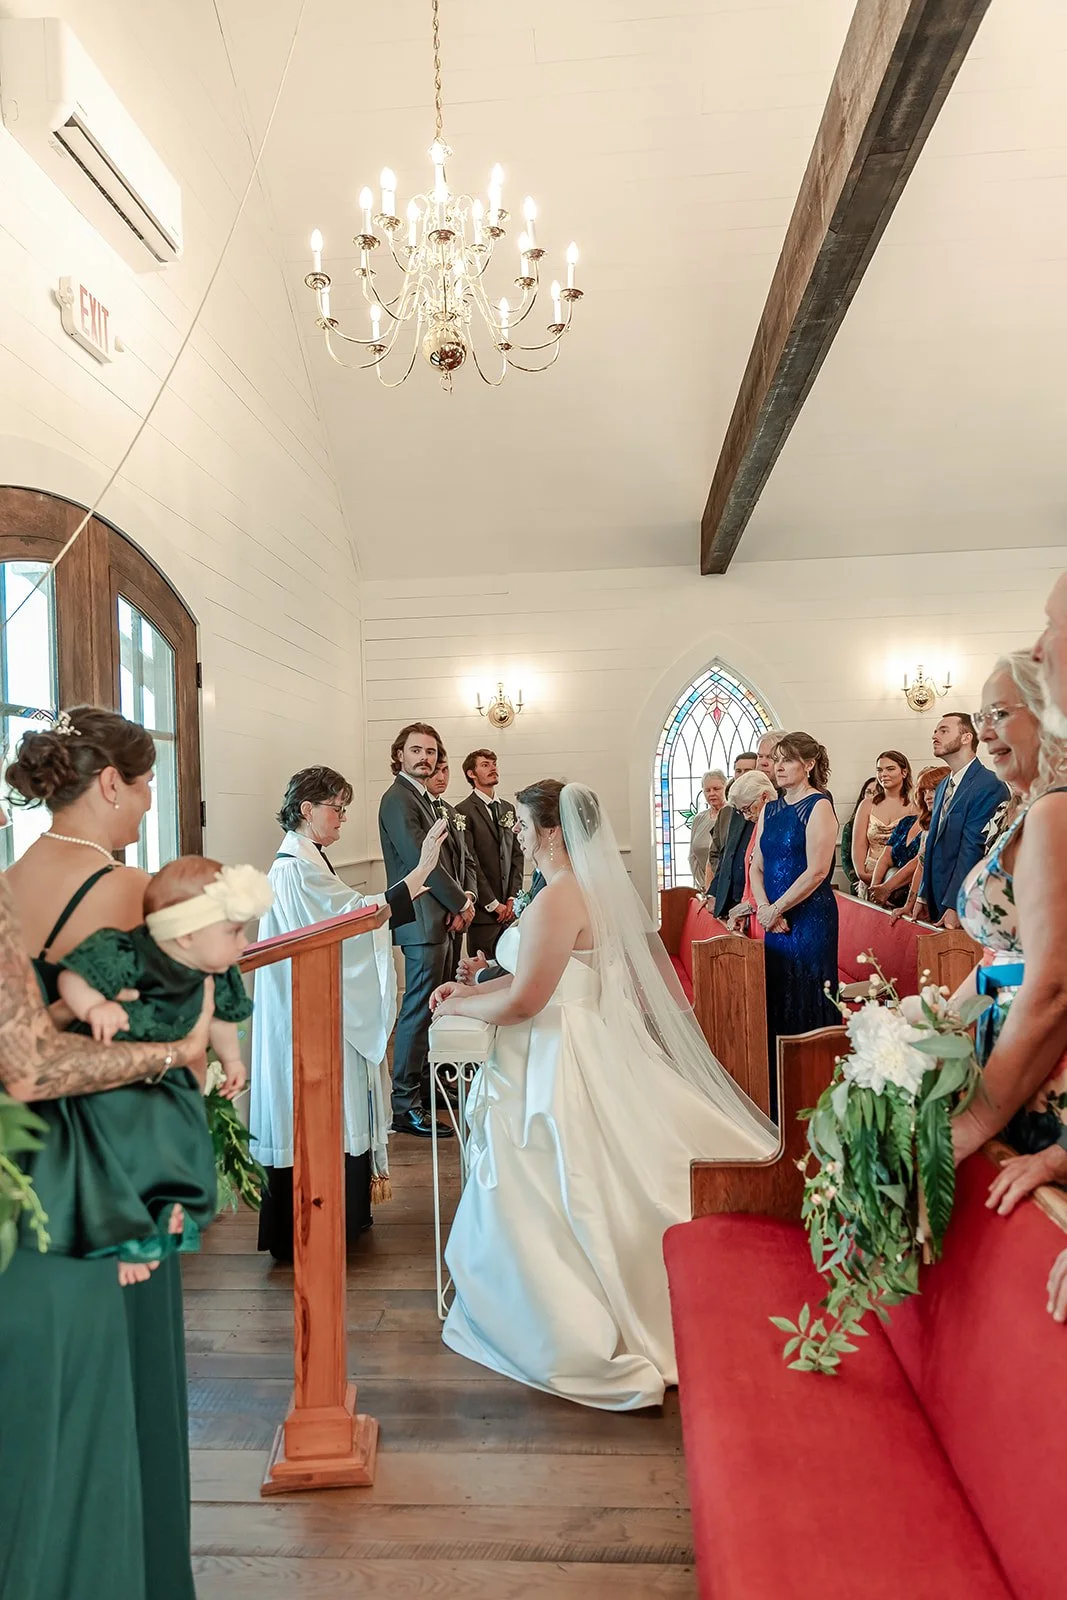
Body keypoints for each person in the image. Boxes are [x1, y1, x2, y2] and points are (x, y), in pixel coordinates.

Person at [428, 780, 776, 1409]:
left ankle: (581, 1310)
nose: (522, 839)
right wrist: (476, 985)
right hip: (564, 1038)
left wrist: (472, 999)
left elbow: (531, 1000)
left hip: (557, 1057)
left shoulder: (561, 896)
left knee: (573, 1182)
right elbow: (537, 976)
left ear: (554, 831)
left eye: (527, 829)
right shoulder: (567, 891)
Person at [2, 707, 218, 1600]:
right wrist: (191, 1049)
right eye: (144, 788)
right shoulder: (132, 893)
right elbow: (201, 994)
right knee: (123, 1383)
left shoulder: (12, 883)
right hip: (116, 1151)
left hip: (27, 1162)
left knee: (46, 1399)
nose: (143, 809)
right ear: (107, 785)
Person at [38, 856, 268, 1285]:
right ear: (185, 935)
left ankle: (172, 1207)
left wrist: (234, 1061)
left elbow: (218, 1016)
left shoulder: (212, 970)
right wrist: (96, 1005)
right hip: (115, 1077)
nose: (242, 943)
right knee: (125, 1147)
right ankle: (128, 1233)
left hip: (171, 1077)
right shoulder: (128, 952)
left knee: (186, 1140)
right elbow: (76, 977)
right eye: (234, 931)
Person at [252, 765, 446, 1255]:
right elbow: (349, 920)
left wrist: (413, 883)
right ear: (306, 810)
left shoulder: (310, 859)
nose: (341, 818)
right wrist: (419, 875)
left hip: (315, 1005)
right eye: (336, 808)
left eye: (343, 807)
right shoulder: (294, 868)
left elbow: (348, 915)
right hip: (307, 1013)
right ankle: (313, 1223)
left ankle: (342, 1213)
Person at [949, 651, 1067, 1197]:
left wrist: (974, 1122)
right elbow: (1006, 956)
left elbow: (1054, 985)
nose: (985, 732)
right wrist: (935, 1028)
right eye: (980, 719)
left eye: (999, 714)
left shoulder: (1055, 812)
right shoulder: (1031, 807)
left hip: (1047, 1070)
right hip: (1009, 1060)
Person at [378, 724, 472, 1137]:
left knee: (434, 1006)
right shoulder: (398, 799)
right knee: (417, 1010)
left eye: (431, 752)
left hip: (440, 917)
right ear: (399, 755)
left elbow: (445, 860)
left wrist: (457, 905)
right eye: (415, 750)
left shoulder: (424, 798)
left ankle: (424, 1087)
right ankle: (404, 1106)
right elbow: (423, 861)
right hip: (418, 919)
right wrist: (463, 903)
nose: (425, 758)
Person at [749, 732, 839, 1113]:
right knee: (777, 995)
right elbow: (757, 865)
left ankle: (819, 1089)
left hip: (810, 920)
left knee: (809, 994)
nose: (778, 766)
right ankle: (779, 1093)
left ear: (809, 764)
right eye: (775, 760)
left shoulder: (818, 806)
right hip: (776, 921)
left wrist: (778, 909)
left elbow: (818, 871)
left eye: (787, 760)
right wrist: (766, 908)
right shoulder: (770, 808)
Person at [915, 713, 1008, 928]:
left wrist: (957, 905)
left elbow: (973, 849)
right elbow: (933, 845)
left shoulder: (989, 784)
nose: (934, 735)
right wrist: (923, 895)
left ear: (966, 737)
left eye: (943, 730)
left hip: (964, 904)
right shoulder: (942, 787)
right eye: (935, 731)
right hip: (938, 898)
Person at [455, 748, 524, 960]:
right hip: (483, 915)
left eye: (494, 763)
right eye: (485, 765)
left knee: (510, 971)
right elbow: (471, 862)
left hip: (511, 913)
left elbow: (516, 856)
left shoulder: (508, 808)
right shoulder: (462, 811)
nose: (493, 768)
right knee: (480, 974)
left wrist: (513, 898)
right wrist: (494, 904)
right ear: (471, 773)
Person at [869, 764, 949, 909]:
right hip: (901, 896)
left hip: (937, 897)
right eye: (923, 791)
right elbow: (918, 863)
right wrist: (877, 887)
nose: (928, 796)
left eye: (933, 789)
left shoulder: (946, 824)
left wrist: (888, 888)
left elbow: (918, 863)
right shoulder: (911, 822)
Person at [428, 754, 478, 979]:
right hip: (439, 914)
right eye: (436, 771)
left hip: (459, 913)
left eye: (445, 770)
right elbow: (431, 866)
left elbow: (467, 860)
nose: (441, 777)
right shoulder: (422, 810)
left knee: (451, 982)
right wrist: (457, 905)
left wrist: (467, 897)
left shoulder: (453, 811)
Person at [714, 770, 777, 931]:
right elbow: (752, 871)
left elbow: (775, 877)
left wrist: (752, 905)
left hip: (772, 914)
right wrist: (744, 908)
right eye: (742, 811)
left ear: (764, 797)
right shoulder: (759, 826)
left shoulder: (779, 825)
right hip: (757, 915)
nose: (746, 817)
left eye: (748, 809)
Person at [850, 751, 916, 898]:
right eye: (879, 770)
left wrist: (892, 882)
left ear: (904, 772)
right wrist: (862, 874)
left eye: (890, 769)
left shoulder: (915, 806)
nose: (883, 774)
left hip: (899, 878)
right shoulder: (867, 805)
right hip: (868, 874)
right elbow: (859, 844)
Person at [688, 770, 728, 891]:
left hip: (726, 886)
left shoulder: (733, 814)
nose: (712, 793)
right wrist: (704, 885)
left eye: (716, 789)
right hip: (703, 886)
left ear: (726, 788)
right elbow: (692, 856)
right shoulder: (699, 819)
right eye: (707, 790)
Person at [840, 776, 878, 896]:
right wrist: (857, 879)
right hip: (859, 882)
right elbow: (846, 859)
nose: (872, 795)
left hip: (884, 880)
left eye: (877, 792)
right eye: (868, 792)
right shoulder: (850, 826)